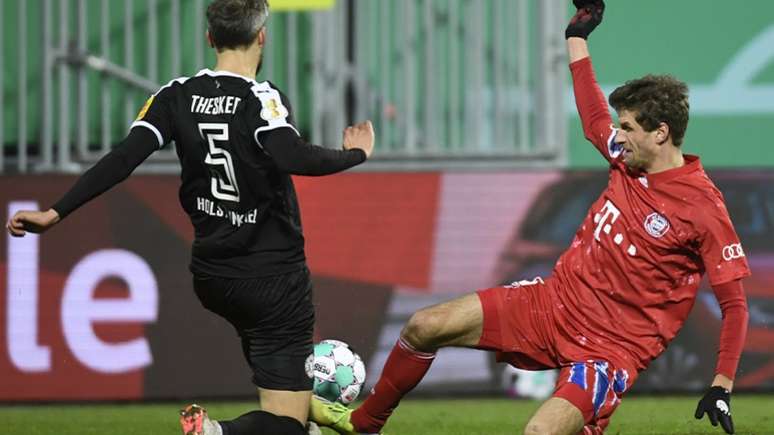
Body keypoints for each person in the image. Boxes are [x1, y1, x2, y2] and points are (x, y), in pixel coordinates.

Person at [309, 1, 749, 434]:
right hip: (551, 304)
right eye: (620, 125)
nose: (616, 135)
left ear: (661, 133)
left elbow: (735, 305)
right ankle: (366, 424)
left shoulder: (702, 208)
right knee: (425, 325)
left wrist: (721, 385)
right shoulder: (624, 157)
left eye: (628, 127)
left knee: (540, 432)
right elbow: (591, 112)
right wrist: (577, 36)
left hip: (609, 349)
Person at [6, 0, 374, 434]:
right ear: (261, 37)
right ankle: (213, 431)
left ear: (209, 38)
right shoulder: (262, 98)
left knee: (289, 411)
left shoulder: (175, 94)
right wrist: (356, 153)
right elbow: (293, 155)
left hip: (214, 276)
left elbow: (124, 158)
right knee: (285, 426)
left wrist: (55, 212)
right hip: (274, 281)